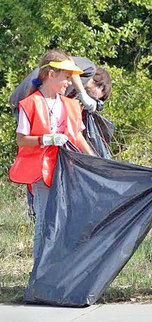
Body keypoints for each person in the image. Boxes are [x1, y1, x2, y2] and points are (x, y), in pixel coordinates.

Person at [8, 49, 94, 261]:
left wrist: (94, 160)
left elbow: (78, 137)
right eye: (65, 78)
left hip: (67, 170)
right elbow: (21, 140)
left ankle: (58, 269)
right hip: (41, 172)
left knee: (66, 220)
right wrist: (45, 139)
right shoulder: (29, 104)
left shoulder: (72, 105)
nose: (69, 83)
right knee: (45, 221)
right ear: (50, 74)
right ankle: (40, 271)